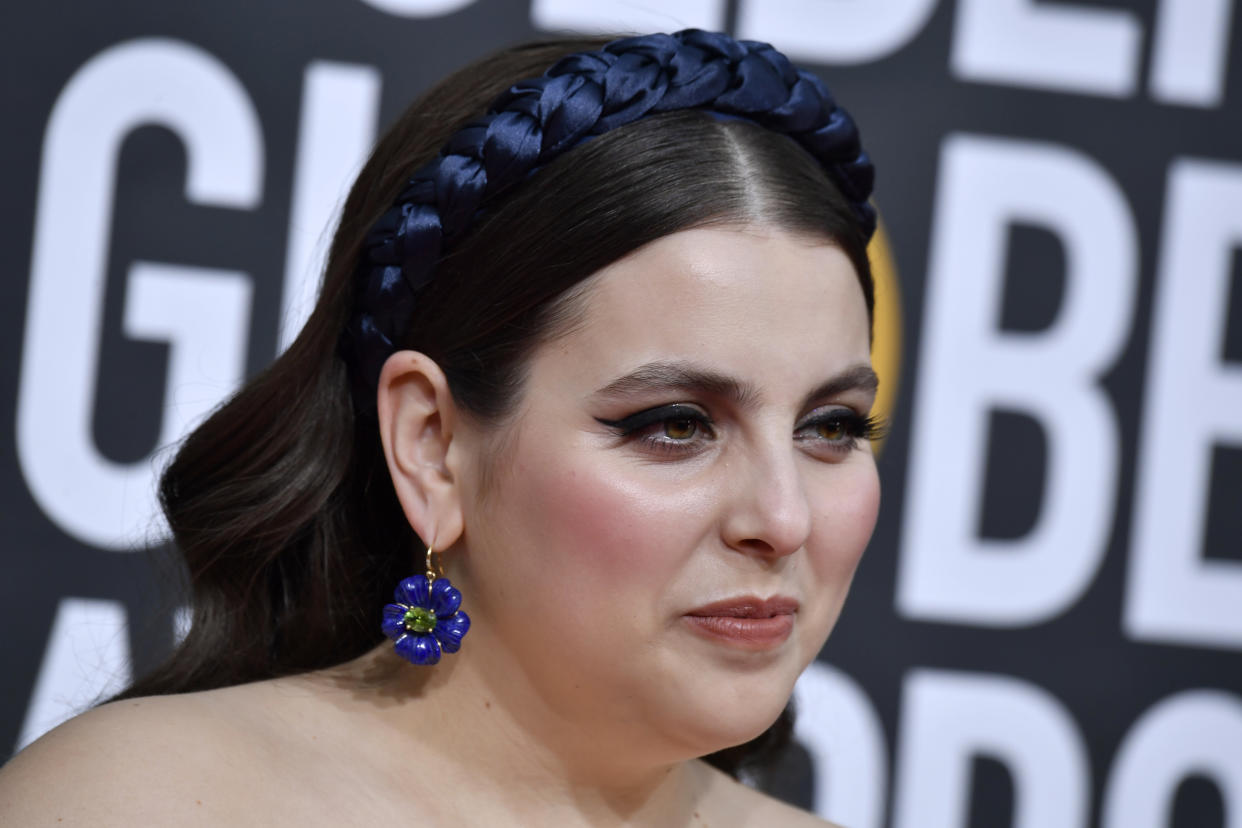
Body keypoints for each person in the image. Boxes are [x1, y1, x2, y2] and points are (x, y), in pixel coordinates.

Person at [0, 30, 881, 826]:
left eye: (831, 426)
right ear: (431, 444)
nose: (784, 518)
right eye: (678, 424)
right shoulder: (132, 805)